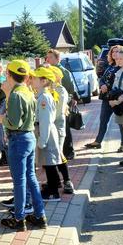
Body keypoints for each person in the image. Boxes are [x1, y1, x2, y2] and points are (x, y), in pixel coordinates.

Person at [0, 60, 47, 231]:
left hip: (18, 139)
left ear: (9, 75)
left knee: (19, 182)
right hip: (29, 137)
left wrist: (3, 119)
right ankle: (40, 216)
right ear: (26, 76)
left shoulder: (15, 95)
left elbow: (14, 122)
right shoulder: (27, 91)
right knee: (31, 178)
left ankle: (19, 219)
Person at [84, 45, 123, 152]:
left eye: (117, 51)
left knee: (121, 122)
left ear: (122, 53)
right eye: (113, 52)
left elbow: (122, 83)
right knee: (103, 120)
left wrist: (108, 87)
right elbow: (102, 78)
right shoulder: (110, 65)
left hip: (117, 99)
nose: (115, 53)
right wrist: (102, 84)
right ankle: (98, 142)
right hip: (106, 98)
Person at [32, 67, 62, 201]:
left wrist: (42, 140)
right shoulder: (41, 95)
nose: (32, 80)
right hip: (45, 132)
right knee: (48, 162)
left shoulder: (44, 98)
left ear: (44, 81)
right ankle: (52, 185)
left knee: (50, 163)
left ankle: (53, 192)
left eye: (35, 78)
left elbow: (45, 120)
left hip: (46, 133)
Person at [45, 49, 80, 159]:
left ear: (57, 59)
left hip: (63, 102)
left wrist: (73, 98)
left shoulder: (63, 71)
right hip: (51, 102)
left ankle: (69, 151)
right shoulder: (47, 70)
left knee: (64, 126)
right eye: (47, 57)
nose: (47, 59)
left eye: (50, 57)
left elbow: (70, 88)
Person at [47, 65, 75, 194]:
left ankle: (67, 181)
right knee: (49, 155)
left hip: (57, 127)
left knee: (58, 153)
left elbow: (57, 112)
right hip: (49, 126)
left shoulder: (60, 90)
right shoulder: (48, 90)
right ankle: (55, 181)